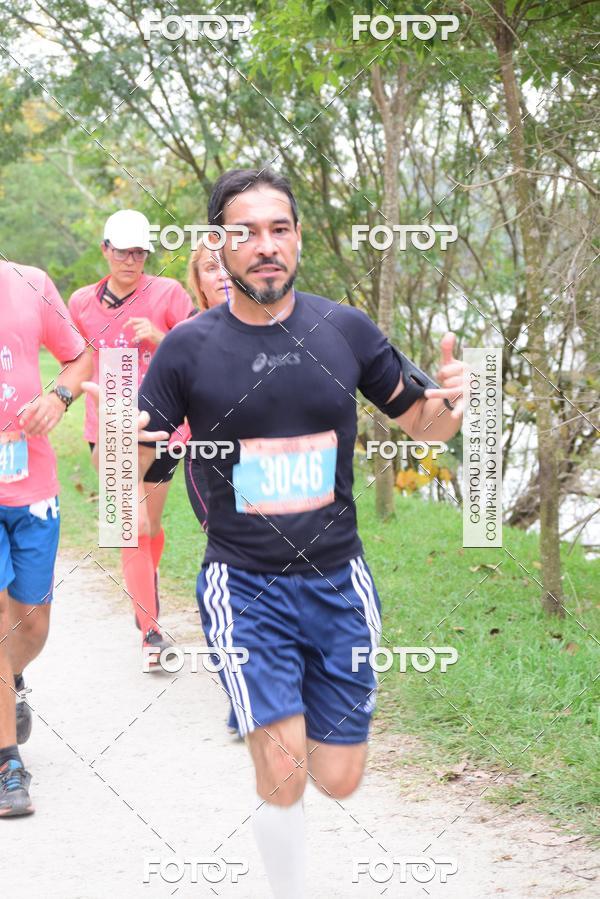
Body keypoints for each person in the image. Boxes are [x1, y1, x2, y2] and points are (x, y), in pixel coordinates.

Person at [136, 168, 465, 896]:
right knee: (283, 769)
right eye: (245, 232)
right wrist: (132, 452)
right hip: (243, 584)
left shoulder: (342, 328)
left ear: (298, 239)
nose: (265, 246)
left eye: (279, 229)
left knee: (339, 776)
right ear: (218, 245)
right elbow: (141, 464)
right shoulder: (186, 349)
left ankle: (293, 721)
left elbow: (425, 421)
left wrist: (458, 404)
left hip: (338, 582)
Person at [68, 210, 194, 661]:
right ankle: (151, 631)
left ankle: (144, 597)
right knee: (130, 527)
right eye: (122, 251)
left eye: (139, 252)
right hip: (108, 424)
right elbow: (73, 358)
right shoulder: (82, 302)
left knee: (151, 526)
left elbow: (201, 349)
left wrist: (162, 338)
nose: (131, 260)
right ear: (105, 249)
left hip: (164, 425)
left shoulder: (168, 292)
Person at [0, 260, 91, 817]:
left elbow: (80, 356)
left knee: (31, 622)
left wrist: (59, 397)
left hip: (31, 484)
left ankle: (12, 677)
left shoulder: (30, 283)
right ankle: (9, 764)